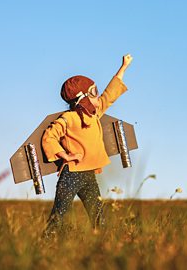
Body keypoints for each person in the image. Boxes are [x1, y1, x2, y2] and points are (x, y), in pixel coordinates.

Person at [41, 54, 133, 235]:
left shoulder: (94, 114)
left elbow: (110, 95)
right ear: (81, 98)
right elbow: (49, 137)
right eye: (93, 92)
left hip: (89, 175)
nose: (98, 96)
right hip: (71, 175)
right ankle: (46, 245)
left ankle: (102, 246)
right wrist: (65, 156)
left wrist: (123, 68)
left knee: (99, 217)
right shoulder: (69, 118)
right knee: (59, 216)